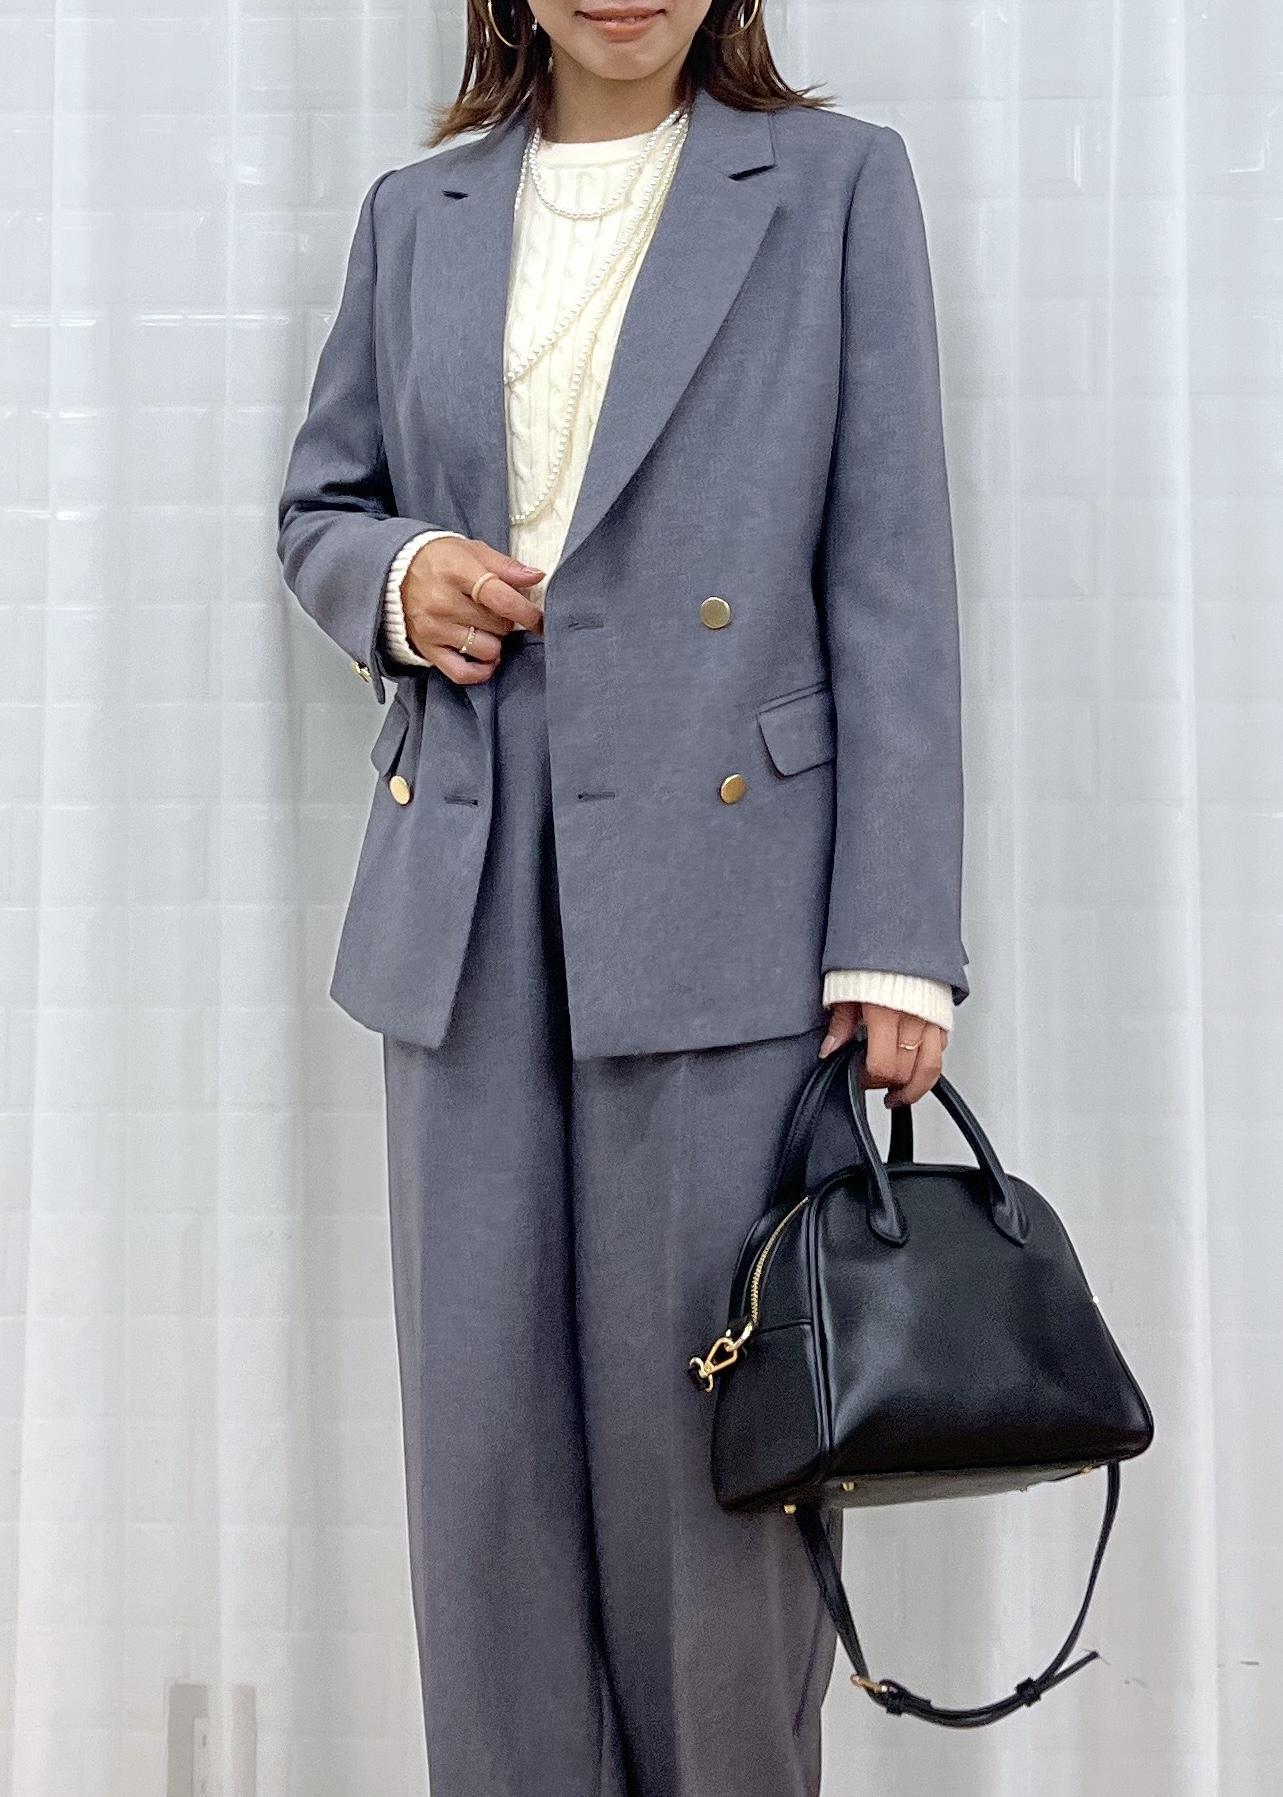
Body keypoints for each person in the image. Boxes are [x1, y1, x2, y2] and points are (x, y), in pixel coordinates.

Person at [276, 2, 969, 1792]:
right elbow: (321, 508)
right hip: (468, 898)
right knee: (485, 1470)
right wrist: (401, 575)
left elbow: (892, 572)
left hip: (732, 903)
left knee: (708, 1463)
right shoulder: (414, 214)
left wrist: (898, 935)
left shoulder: (833, 187)